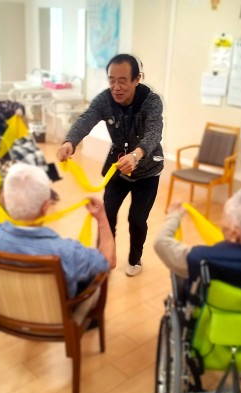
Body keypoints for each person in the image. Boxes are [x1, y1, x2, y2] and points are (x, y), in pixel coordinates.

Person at [57, 53, 165, 277]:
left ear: (137, 79)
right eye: (112, 80)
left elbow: (154, 133)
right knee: (106, 215)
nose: (116, 87)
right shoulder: (105, 100)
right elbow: (86, 119)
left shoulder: (151, 101)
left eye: (123, 81)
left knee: (137, 219)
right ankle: (102, 259)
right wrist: (70, 142)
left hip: (147, 171)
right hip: (117, 169)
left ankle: (135, 259)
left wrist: (136, 155)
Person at [0, 163, 116, 300]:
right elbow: (108, 261)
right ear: (45, 207)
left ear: (3, 200)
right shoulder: (67, 252)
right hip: (53, 317)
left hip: (2, 308)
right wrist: (102, 218)